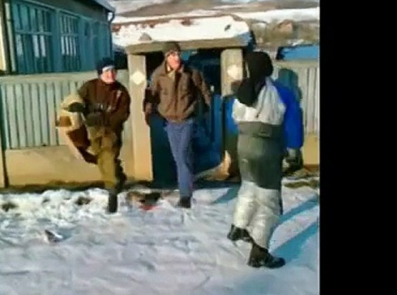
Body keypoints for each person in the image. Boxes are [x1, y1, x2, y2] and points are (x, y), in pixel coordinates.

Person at [226, 50, 304, 269]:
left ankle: (238, 227)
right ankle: (259, 252)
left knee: (249, 186)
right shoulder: (281, 92)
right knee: (270, 203)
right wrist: (294, 148)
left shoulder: (241, 91)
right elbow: (292, 122)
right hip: (267, 149)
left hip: (244, 146)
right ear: (268, 68)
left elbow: (233, 122)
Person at [144, 42, 212, 208]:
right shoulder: (158, 75)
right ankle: (188, 183)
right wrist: (148, 113)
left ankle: (185, 196)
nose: (176, 58)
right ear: (166, 57)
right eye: (172, 55)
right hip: (169, 121)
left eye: (178, 54)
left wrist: (206, 110)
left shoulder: (191, 72)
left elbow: (203, 90)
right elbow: (151, 96)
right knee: (181, 157)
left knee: (181, 156)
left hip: (187, 119)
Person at [67, 57, 131, 213]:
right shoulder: (90, 87)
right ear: (100, 73)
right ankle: (119, 176)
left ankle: (112, 193)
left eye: (113, 70)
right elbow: (77, 98)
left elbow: (122, 114)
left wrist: (102, 119)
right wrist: (77, 106)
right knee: (101, 159)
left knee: (108, 156)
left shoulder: (121, 91)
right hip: (93, 131)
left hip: (112, 132)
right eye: (107, 71)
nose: (111, 74)